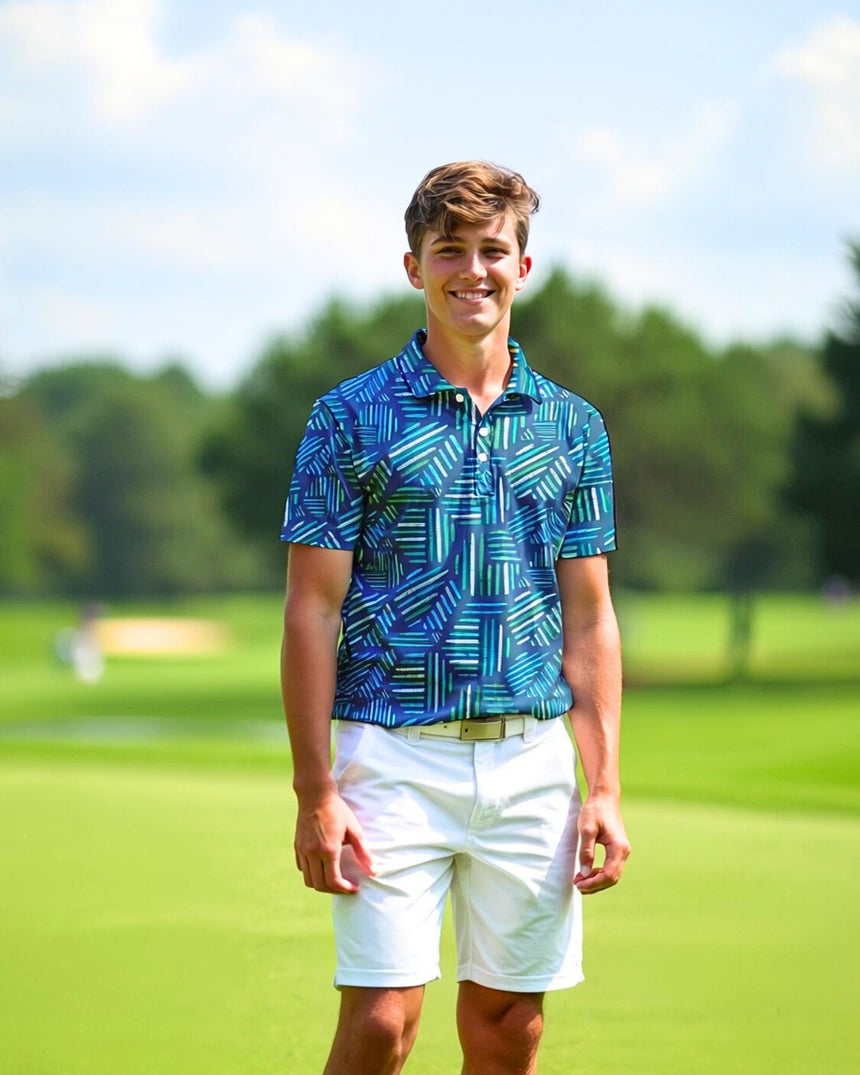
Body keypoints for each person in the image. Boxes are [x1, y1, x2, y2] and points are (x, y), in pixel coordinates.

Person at [280, 160, 630, 1075]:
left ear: (523, 265)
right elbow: (311, 611)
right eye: (450, 251)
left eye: (491, 251)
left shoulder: (573, 424)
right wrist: (315, 789)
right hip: (389, 754)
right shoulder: (347, 416)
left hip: (530, 761)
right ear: (413, 267)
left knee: (509, 1026)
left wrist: (604, 786)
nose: (472, 271)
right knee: (382, 1025)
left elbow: (588, 618)